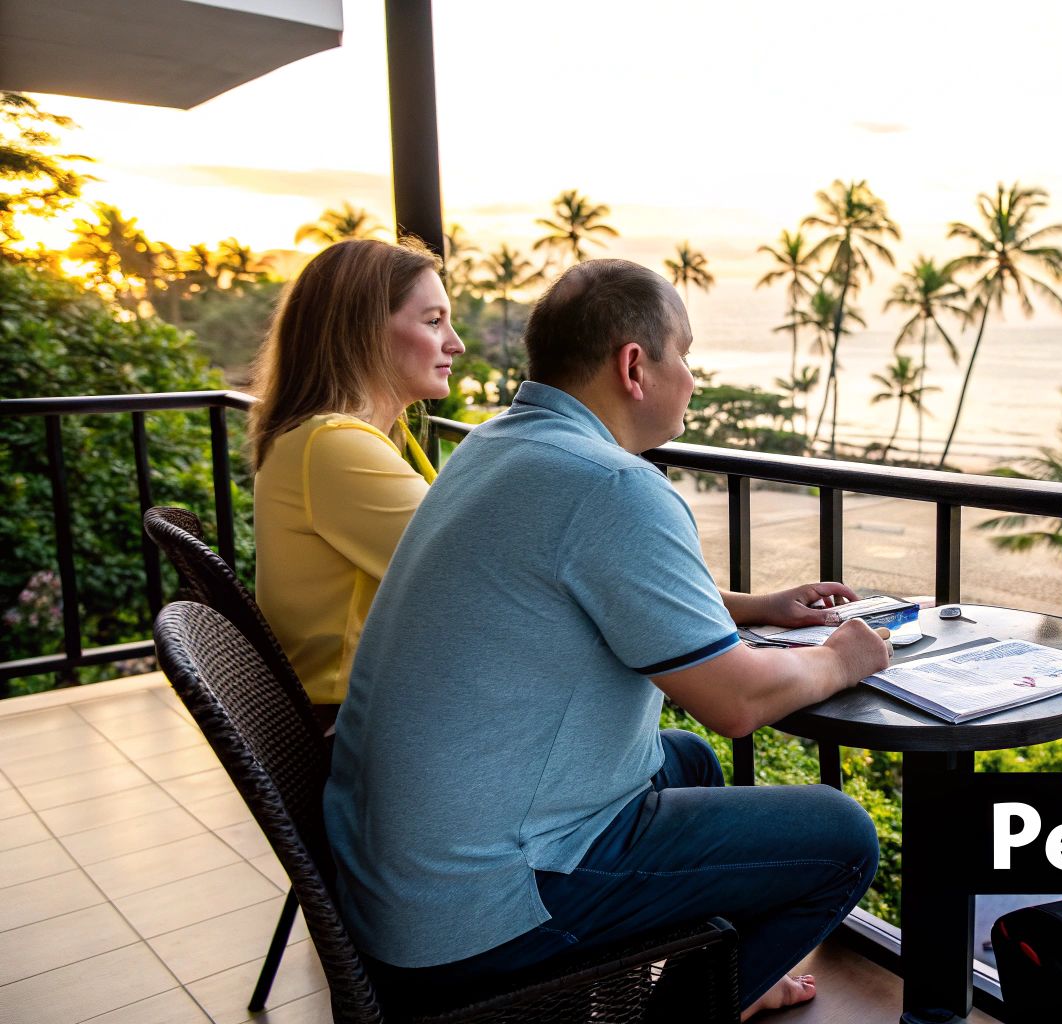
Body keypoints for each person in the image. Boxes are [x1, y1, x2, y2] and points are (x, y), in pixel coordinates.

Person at [323, 260, 890, 1020]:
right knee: (842, 834)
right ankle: (691, 1009)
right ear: (634, 366)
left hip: (393, 889)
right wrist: (843, 656)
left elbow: (577, 589)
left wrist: (757, 609)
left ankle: (730, 976)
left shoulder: (497, 449)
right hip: (473, 911)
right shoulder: (613, 485)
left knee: (683, 759)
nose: (690, 377)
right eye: (683, 354)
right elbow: (736, 700)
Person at [246, 237, 461, 713]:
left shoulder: (339, 437)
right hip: (358, 729)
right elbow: (474, 580)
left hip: (368, 712)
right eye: (433, 322)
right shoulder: (334, 446)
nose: (456, 343)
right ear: (361, 332)